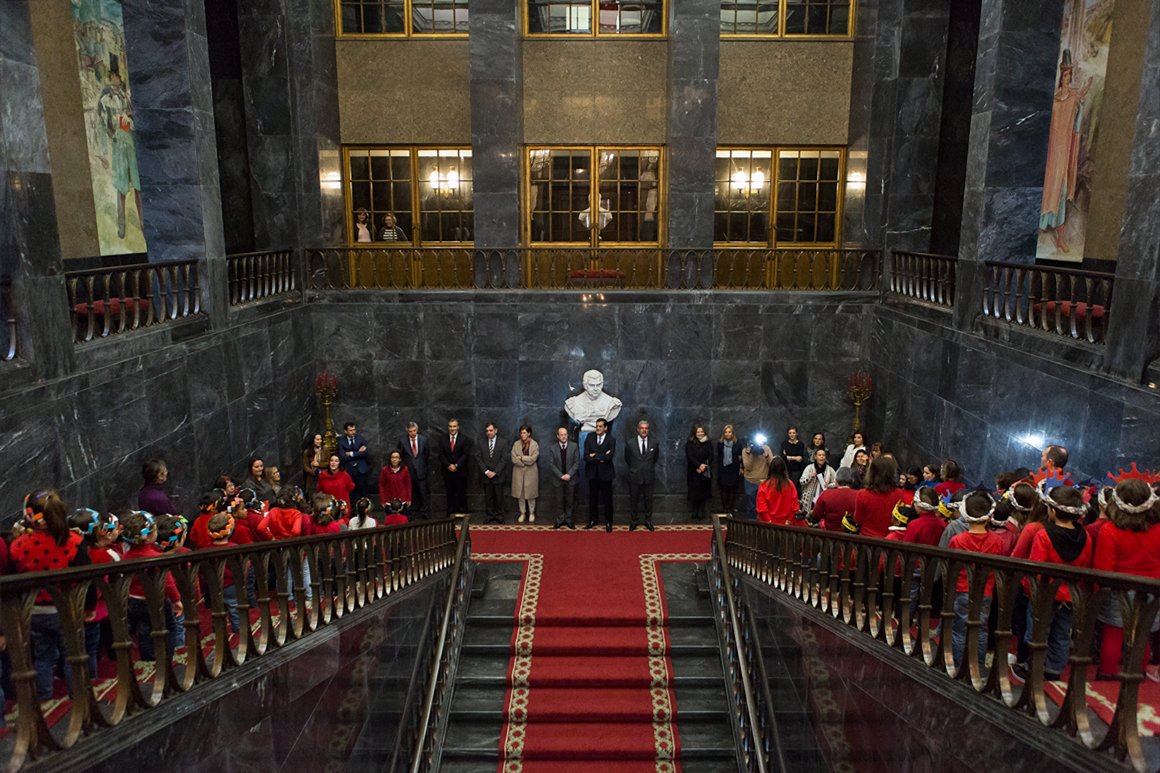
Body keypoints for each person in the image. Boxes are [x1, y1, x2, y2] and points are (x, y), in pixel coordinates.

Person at [9, 491, 93, 698]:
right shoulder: (73, 541)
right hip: (66, 609)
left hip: (33, 611)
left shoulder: (19, 544)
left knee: (43, 656)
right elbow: (87, 578)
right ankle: (79, 697)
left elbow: (13, 581)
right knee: (72, 655)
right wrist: (89, 606)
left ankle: (44, 697)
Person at [1013, 485, 1093, 682]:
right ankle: (1054, 669)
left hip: (1044, 594)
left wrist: (1029, 590)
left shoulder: (1044, 535)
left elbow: (1036, 567)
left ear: (1053, 511)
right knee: (1062, 634)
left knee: (1037, 632)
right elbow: (1085, 566)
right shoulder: (1086, 537)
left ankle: (1033, 666)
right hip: (1071, 595)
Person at [1093, 479, 1160, 679]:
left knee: (1113, 633)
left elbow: (1103, 569)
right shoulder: (1158, 529)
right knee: (1142, 635)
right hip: (1152, 589)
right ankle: (1137, 673)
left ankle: (1107, 673)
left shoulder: (1110, 530)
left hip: (1119, 589)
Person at [947, 491, 1008, 670]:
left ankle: (958, 665)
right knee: (981, 629)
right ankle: (978, 666)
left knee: (959, 629)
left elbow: (951, 566)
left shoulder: (957, 540)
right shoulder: (997, 541)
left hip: (962, 589)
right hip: (985, 591)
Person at [1040, 50, 1092, 253]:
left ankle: (1060, 238)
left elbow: (1076, 121)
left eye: (1070, 76)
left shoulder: (1072, 98)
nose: (1067, 79)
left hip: (1063, 155)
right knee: (1047, 192)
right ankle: (1041, 227)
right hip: (1051, 154)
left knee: (1060, 194)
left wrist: (1081, 101)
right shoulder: (1053, 101)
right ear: (1061, 77)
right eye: (1065, 75)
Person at [121, 510, 184, 660]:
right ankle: (169, 656)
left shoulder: (125, 557)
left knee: (144, 631)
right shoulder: (156, 558)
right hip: (156, 600)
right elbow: (168, 583)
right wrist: (176, 600)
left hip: (133, 600)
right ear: (149, 536)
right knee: (169, 627)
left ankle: (148, 659)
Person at [96, 57, 143, 240]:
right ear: (111, 78)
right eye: (115, 76)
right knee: (121, 186)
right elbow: (102, 127)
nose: (117, 79)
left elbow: (136, 118)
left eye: (118, 77)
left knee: (138, 184)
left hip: (131, 143)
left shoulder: (126, 96)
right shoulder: (105, 100)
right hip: (118, 146)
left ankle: (143, 222)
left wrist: (130, 119)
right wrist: (103, 154)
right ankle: (122, 224)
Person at [852, 456, 905, 538]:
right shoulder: (899, 494)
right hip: (890, 540)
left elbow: (858, 520)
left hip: (867, 539)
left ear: (871, 472)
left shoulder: (863, 494)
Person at [624, 420, 660, 531]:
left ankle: (648, 521)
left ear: (648, 430)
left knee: (648, 501)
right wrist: (636, 468)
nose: (644, 430)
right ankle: (633, 521)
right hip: (635, 476)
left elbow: (655, 458)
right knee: (633, 500)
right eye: (642, 428)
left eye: (646, 428)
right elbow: (627, 459)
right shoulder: (630, 443)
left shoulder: (654, 443)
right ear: (638, 430)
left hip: (649, 476)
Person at [584, 418, 616, 530]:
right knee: (593, 498)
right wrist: (602, 456)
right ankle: (593, 520)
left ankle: (609, 522)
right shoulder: (590, 437)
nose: (597, 428)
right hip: (592, 473)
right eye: (596, 426)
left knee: (607, 499)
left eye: (600, 426)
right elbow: (586, 456)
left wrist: (595, 455)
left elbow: (609, 457)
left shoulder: (611, 439)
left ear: (605, 428)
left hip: (606, 474)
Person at [438, 418, 472, 515]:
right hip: (447, 471)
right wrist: (449, 465)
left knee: (461, 492)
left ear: (458, 427)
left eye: (454, 426)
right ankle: (451, 513)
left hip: (461, 471)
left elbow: (466, 454)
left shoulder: (464, 439)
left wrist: (456, 465)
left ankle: (462, 512)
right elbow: (441, 455)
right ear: (448, 427)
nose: (452, 428)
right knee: (450, 493)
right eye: (450, 426)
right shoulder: (442, 439)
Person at [397, 421, 431, 518]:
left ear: (417, 429)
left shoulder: (424, 440)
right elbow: (400, 455)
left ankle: (424, 512)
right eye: (410, 431)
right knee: (408, 493)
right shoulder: (402, 441)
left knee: (423, 492)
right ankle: (408, 513)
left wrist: (422, 465)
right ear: (407, 431)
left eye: (414, 430)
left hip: (421, 470)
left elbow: (427, 454)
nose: (412, 433)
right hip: (408, 471)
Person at [477, 422, 509, 523]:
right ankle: (490, 515)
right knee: (488, 498)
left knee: (499, 497)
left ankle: (499, 515)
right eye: (487, 431)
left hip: (498, 476)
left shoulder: (503, 442)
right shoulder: (481, 442)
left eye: (491, 430)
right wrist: (486, 471)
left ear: (496, 430)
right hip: (486, 476)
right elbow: (478, 458)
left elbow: (504, 459)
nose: (489, 433)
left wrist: (495, 472)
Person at [548, 426, 579, 529]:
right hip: (558, 479)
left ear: (567, 435)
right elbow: (551, 464)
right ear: (558, 436)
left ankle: (569, 520)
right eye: (561, 435)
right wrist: (561, 476)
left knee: (570, 501)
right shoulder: (553, 448)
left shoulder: (574, 446)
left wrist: (569, 475)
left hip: (571, 478)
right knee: (559, 501)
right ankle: (560, 519)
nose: (564, 436)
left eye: (565, 434)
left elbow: (576, 463)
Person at [812, 467, 859, 531]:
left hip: (829, 533)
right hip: (852, 534)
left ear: (836, 481)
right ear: (852, 481)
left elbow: (816, 515)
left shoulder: (826, 494)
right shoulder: (858, 495)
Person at [511, 424, 540, 524]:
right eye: (521, 433)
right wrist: (523, 462)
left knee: (531, 494)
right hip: (518, 472)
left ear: (529, 433)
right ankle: (522, 513)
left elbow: (533, 459)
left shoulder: (534, 444)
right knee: (521, 495)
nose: (522, 435)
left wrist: (522, 458)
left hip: (531, 473)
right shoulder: (516, 444)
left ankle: (531, 513)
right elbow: (514, 459)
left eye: (524, 433)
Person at [756, 456, 799, 525]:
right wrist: (788, 520)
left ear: (770, 468)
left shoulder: (764, 485)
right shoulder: (790, 484)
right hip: (786, 524)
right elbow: (795, 506)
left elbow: (762, 507)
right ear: (784, 468)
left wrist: (769, 521)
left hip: (767, 524)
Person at [685, 424, 713, 521]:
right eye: (698, 432)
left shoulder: (708, 443)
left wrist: (703, 466)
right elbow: (690, 456)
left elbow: (711, 456)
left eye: (701, 432)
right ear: (694, 433)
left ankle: (701, 511)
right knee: (694, 492)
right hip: (693, 471)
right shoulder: (690, 443)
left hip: (704, 471)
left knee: (703, 492)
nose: (700, 433)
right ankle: (694, 511)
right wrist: (698, 465)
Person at [741, 437, 773, 519]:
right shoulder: (746, 450)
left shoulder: (766, 448)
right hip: (750, 481)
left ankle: (764, 523)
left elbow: (772, 465)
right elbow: (748, 467)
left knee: (764, 505)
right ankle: (751, 524)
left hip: (763, 480)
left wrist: (767, 456)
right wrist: (749, 454)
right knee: (751, 506)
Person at [338, 422, 372, 499]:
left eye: (354, 430)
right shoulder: (341, 442)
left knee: (363, 492)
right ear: (345, 431)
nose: (353, 432)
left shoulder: (361, 439)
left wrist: (351, 453)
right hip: (349, 469)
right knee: (351, 493)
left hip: (361, 469)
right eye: (351, 430)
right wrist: (358, 453)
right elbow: (343, 457)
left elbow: (366, 453)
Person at [798, 447, 836, 514]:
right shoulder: (809, 468)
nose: (822, 457)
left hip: (823, 498)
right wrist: (809, 477)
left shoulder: (830, 469)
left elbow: (836, 483)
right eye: (819, 455)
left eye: (823, 455)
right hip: (809, 500)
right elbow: (801, 481)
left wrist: (829, 485)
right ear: (815, 457)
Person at [717, 425, 742, 515]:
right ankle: (725, 509)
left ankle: (730, 509)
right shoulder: (720, 443)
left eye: (729, 432)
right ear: (723, 433)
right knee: (723, 489)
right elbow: (719, 457)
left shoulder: (737, 443)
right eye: (726, 432)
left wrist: (741, 467)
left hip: (733, 469)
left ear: (732, 433)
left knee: (732, 489)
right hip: (723, 469)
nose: (727, 434)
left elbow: (740, 456)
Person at [302, 433, 323, 498]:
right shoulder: (307, 452)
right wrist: (313, 472)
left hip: (322, 476)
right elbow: (305, 466)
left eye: (320, 439)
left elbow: (328, 462)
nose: (320, 441)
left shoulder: (325, 450)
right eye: (317, 439)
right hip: (312, 478)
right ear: (313, 440)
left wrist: (319, 464)